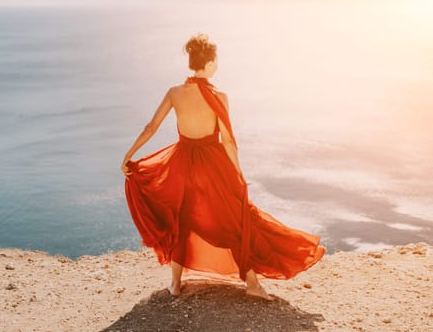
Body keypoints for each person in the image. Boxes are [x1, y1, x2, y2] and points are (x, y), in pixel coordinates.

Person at [120, 33, 325, 300]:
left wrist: (129, 155)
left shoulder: (174, 92)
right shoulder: (219, 96)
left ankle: (175, 284)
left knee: (181, 219)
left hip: (182, 164)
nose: (217, 65)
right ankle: (251, 283)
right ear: (207, 64)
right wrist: (239, 174)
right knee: (233, 221)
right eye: (215, 61)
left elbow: (151, 126)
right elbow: (228, 141)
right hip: (212, 165)